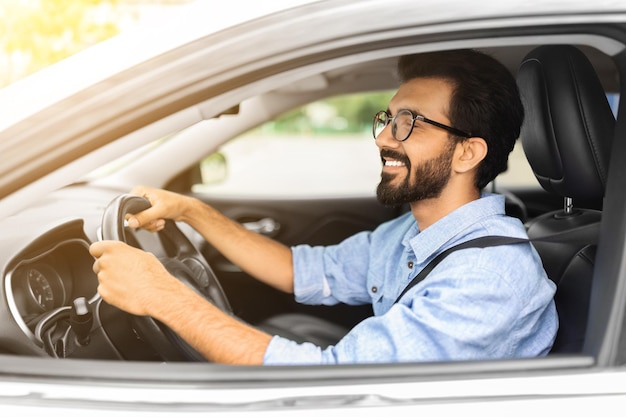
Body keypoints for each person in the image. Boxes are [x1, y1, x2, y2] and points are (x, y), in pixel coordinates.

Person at [90, 49, 558, 365]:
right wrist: (191, 211)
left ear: (467, 153)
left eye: (408, 123)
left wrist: (165, 297)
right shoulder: (415, 233)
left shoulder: (488, 278)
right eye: (387, 119)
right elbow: (306, 270)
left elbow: (332, 382)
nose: (382, 137)